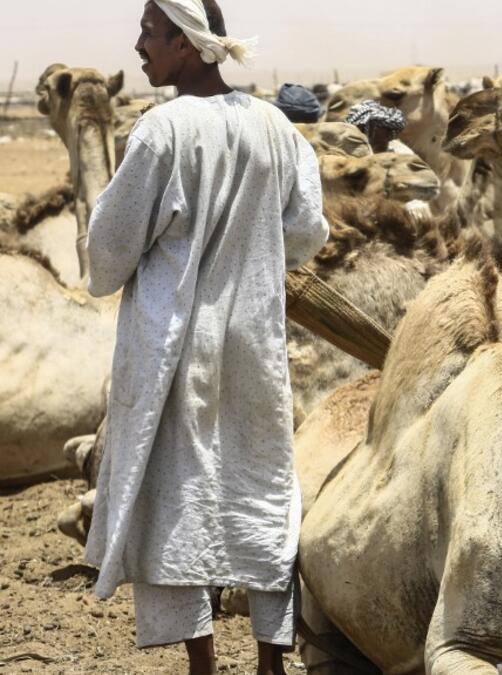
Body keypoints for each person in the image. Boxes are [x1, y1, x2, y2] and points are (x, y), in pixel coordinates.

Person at [84, 1, 328, 674]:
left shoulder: (161, 131)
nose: (138, 46)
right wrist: (253, 248)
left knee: (180, 491)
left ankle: (203, 662)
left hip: (175, 347)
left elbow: (107, 251)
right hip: (254, 340)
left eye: (148, 33)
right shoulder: (276, 127)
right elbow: (307, 230)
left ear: (185, 44)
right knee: (260, 483)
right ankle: (271, 658)